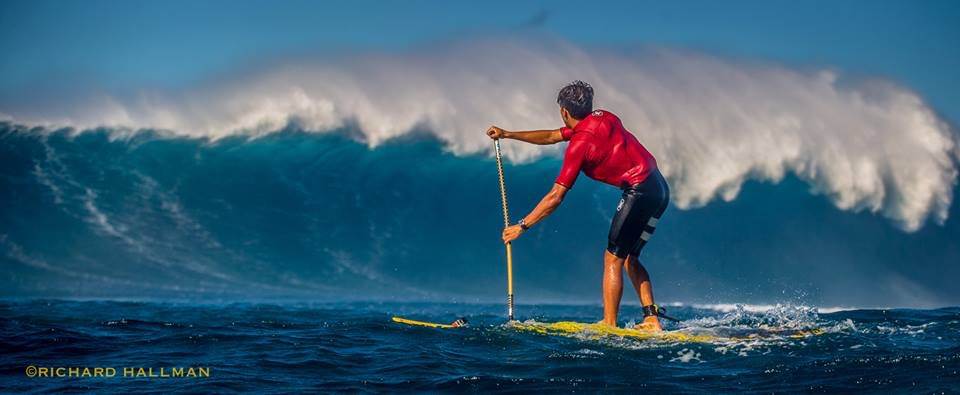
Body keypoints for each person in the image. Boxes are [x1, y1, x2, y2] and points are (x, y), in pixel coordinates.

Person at [486, 80, 671, 330]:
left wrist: (522, 226)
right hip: (659, 188)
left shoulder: (580, 144)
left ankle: (609, 324)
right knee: (629, 257)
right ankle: (651, 318)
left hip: (638, 192)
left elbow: (555, 196)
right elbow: (553, 135)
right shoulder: (605, 117)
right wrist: (508, 134)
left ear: (564, 111)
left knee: (613, 259)